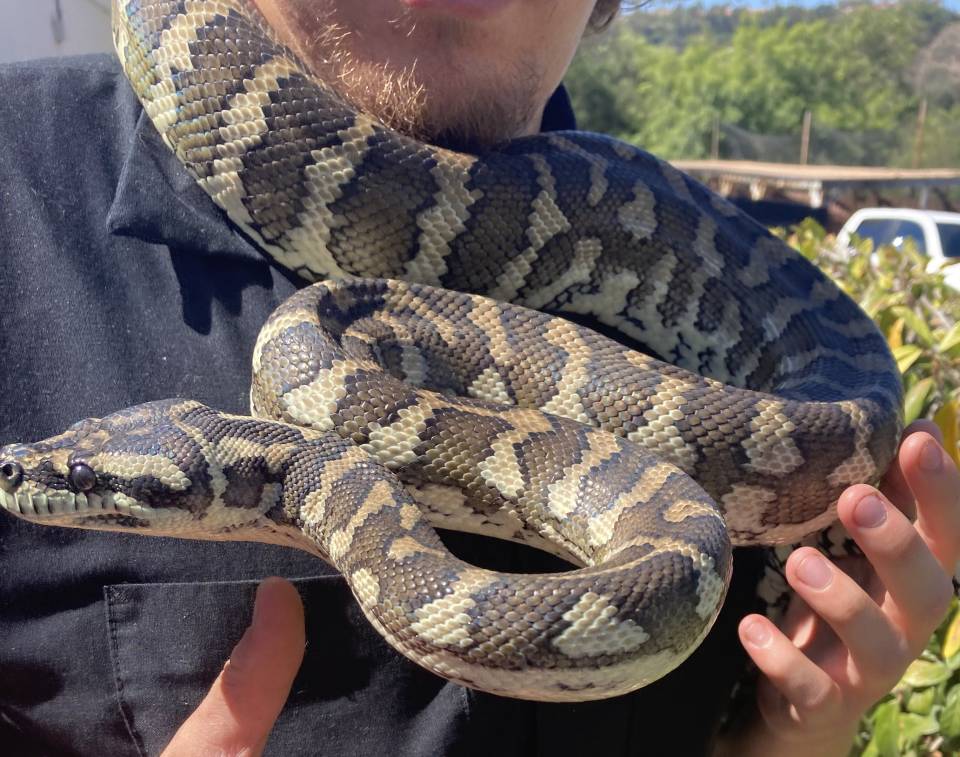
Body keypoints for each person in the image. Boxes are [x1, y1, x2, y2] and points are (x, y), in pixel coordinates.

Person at [0, 1, 956, 755]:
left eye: (81, 480)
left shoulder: (677, 241)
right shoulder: (20, 191)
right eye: (81, 480)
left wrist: (782, 738)